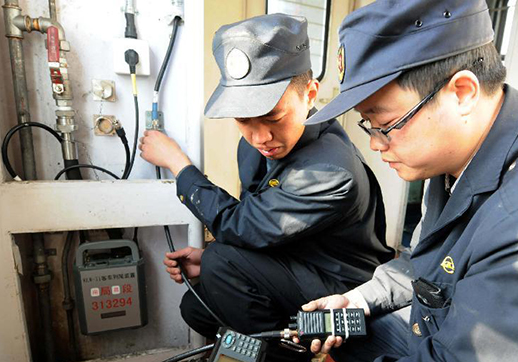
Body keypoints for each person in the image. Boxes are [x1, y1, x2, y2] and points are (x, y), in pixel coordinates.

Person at [300, 0, 518, 361]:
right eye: (368, 124)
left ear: (462, 92)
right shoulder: (461, 154)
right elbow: (426, 260)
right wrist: (359, 299)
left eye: (385, 124)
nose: (374, 142)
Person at [138, 13, 394, 360]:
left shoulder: (330, 170)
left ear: (310, 94)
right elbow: (257, 223)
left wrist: (178, 164)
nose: (261, 137)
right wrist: (216, 260)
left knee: (222, 263)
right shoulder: (256, 145)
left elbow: (237, 226)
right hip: (298, 260)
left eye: (274, 117)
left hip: (339, 287)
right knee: (195, 308)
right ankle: (268, 346)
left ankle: (289, 356)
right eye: (244, 120)